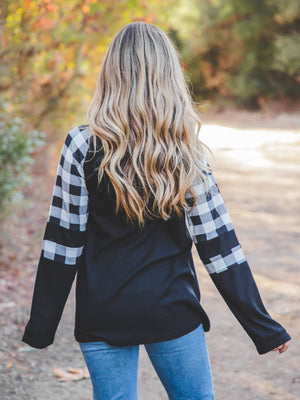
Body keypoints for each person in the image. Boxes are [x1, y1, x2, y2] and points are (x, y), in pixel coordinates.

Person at [22, 21, 291, 400]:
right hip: (172, 310)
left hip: (104, 313)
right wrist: (262, 326)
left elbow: (63, 243)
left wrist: (41, 326)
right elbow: (219, 246)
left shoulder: (81, 144)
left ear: (111, 74)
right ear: (169, 76)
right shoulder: (186, 150)